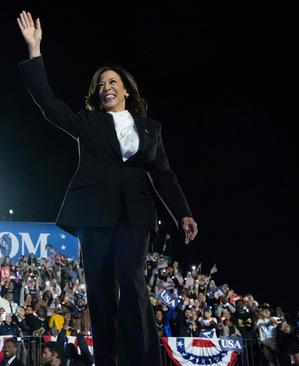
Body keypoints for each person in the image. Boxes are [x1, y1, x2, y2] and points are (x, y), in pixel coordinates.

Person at [17, 10, 198, 366]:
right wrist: (35, 51)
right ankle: (110, 360)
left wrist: (184, 213)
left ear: (126, 90)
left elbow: (164, 173)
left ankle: (141, 359)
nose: (106, 88)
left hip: (136, 212)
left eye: (113, 82)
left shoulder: (150, 128)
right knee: (100, 291)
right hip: (94, 212)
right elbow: (49, 105)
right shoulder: (87, 123)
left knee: (131, 280)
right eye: (101, 85)